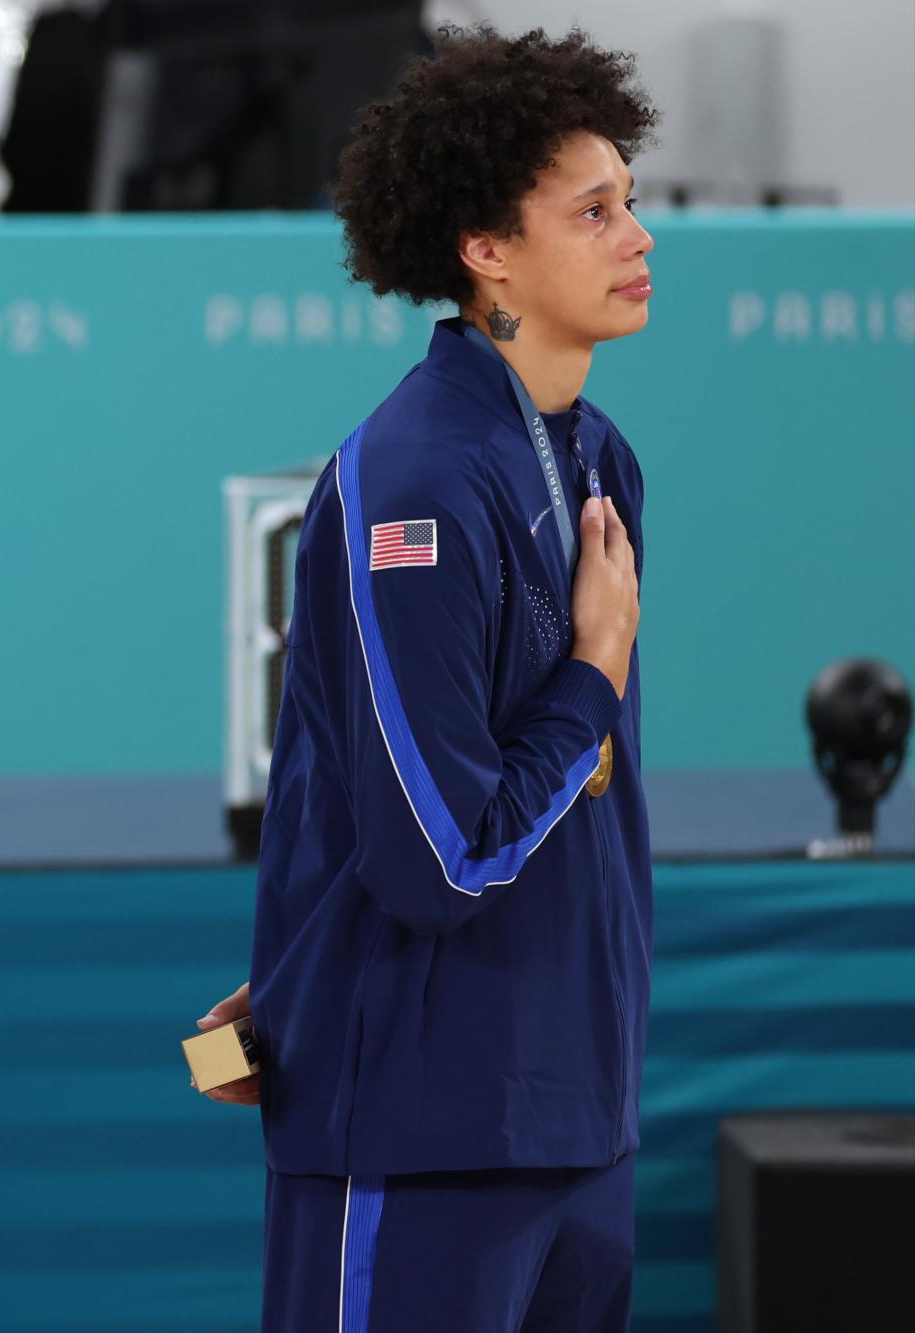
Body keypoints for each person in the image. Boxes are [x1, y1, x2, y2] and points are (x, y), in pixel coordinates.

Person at [198, 27, 656, 1331]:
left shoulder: (600, 457)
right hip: (422, 1127)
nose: (639, 236)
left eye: (632, 201)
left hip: (579, 1110)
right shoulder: (417, 479)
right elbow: (438, 858)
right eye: (595, 210)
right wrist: (595, 670)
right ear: (486, 246)